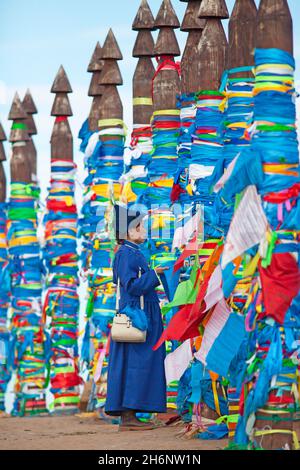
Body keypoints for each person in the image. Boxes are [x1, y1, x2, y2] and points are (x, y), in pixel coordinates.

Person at [105, 204, 168, 431]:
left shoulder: (131, 252)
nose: (144, 229)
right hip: (137, 316)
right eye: (139, 226)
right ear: (128, 232)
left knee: (141, 363)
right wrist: (155, 274)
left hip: (140, 313)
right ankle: (128, 416)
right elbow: (131, 286)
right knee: (136, 364)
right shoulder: (125, 254)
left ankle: (131, 414)